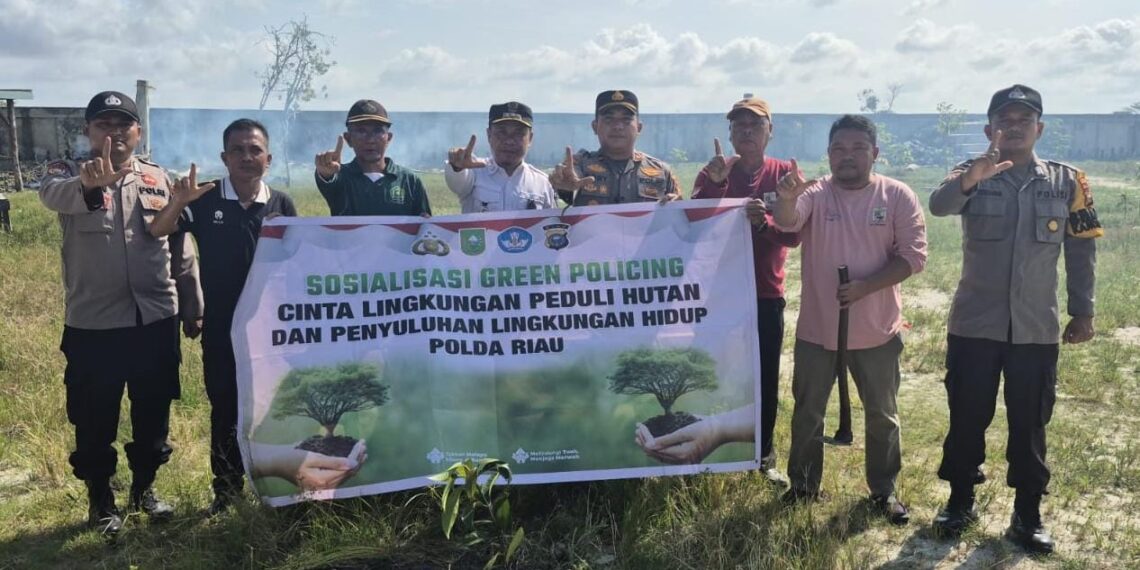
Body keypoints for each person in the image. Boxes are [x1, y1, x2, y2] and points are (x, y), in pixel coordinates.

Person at [928, 84, 1102, 554]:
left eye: (1024, 120)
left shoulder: (1069, 181)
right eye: (1005, 119)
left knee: (1030, 422)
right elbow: (939, 205)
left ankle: (1028, 513)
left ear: (1039, 128)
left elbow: (1082, 249)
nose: (1015, 126)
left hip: (1035, 328)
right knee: (967, 414)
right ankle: (960, 500)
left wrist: (1082, 310)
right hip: (975, 324)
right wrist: (971, 179)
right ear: (990, 129)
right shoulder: (971, 172)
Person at [38, 91, 203, 535]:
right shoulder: (68, 173)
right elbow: (53, 197)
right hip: (95, 324)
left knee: (153, 412)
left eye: (122, 124)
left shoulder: (156, 176)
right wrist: (91, 186)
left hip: (155, 318)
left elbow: (170, 237)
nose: (114, 132)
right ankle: (100, 501)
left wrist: (191, 300)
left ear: (138, 131)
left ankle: (144, 489)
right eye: (103, 124)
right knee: (94, 416)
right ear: (88, 131)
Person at [773, 115, 927, 526]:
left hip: (877, 331)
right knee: (808, 412)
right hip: (818, 329)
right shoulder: (817, 193)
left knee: (882, 414)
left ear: (874, 153)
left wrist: (866, 287)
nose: (847, 157)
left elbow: (913, 257)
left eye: (858, 148)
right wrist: (787, 197)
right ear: (829, 154)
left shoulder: (897, 195)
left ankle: (884, 489)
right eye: (839, 149)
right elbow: (788, 221)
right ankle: (803, 486)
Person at [149, 118, 302, 515]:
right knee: (226, 409)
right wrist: (178, 201)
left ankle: (277, 486)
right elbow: (157, 231)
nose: (247, 157)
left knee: (276, 406)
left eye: (255, 150)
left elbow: (298, 261)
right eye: (238, 150)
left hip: (273, 328)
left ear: (268, 158)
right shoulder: (205, 198)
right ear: (224, 157)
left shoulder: (282, 204)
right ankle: (227, 491)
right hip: (223, 327)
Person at [692, 97, 800, 487]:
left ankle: (763, 454)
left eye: (755, 126)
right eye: (739, 126)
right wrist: (717, 186)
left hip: (764, 294)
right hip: (717, 295)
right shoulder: (716, 170)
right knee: (712, 372)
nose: (747, 133)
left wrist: (765, 223)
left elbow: (796, 234)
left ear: (770, 131)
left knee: (764, 377)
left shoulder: (785, 173)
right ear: (730, 133)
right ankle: (708, 450)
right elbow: (693, 222)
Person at [549, 90, 681, 206]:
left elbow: (684, 215)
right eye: (609, 119)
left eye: (626, 120)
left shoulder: (661, 171)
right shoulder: (581, 164)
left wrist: (678, 204)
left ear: (639, 128)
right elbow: (570, 181)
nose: (618, 126)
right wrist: (565, 186)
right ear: (595, 127)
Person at [314, 99, 431, 216]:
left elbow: (425, 227)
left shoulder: (409, 181)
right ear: (348, 139)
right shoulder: (341, 177)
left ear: (388, 138)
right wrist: (326, 173)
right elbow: (328, 180)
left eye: (378, 131)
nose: (370, 140)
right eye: (361, 131)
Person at [445, 101, 559, 212]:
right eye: (501, 132)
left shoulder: (543, 183)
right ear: (489, 135)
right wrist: (457, 167)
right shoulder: (474, 173)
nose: (509, 141)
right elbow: (457, 183)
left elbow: (553, 226)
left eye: (518, 134)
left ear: (530, 139)